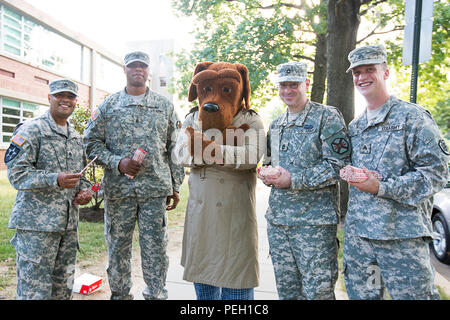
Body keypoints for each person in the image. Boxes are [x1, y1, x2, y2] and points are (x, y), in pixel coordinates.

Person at [343, 44, 449, 300]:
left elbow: (436, 174)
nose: (362, 77)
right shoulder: (356, 127)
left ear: (386, 73)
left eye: (370, 70)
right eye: (357, 72)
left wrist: (382, 186)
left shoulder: (412, 118)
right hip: (362, 244)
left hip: (401, 243)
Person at [83, 51, 185, 300]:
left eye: (142, 66)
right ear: (125, 70)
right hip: (119, 192)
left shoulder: (164, 106)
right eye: (132, 66)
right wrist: (118, 163)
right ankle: (120, 295)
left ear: (148, 71)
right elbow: (91, 142)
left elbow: (177, 148)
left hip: (154, 191)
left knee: (156, 250)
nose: (138, 70)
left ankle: (156, 294)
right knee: (118, 248)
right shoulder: (109, 105)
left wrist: (176, 184)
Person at [173, 63, 266, 300]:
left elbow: (251, 156)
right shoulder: (193, 117)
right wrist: (224, 151)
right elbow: (180, 153)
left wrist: (207, 149)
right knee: (204, 289)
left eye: (226, 90)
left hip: (235, 216)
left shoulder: (251, 120)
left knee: (237, 284)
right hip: (201, 217)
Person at [261, 61, 351, 300]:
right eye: (283, 85)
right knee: (288, 292)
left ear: (306, 84)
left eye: (294, 84)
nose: (287, 90)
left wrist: (294, 179)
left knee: (318, 293)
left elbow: (339, 165)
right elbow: (269, 162)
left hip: (314, 226)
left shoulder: (326, 117)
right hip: (279, 224)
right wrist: (267, 175)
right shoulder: (277, 124)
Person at [5, 79, 92, 299]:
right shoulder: (32, 129)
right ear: (49, 98)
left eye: (71, 97)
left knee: (62, 291)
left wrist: (85, 191)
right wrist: (56, 179)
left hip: (67, 227)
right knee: (34, 293)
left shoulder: (75, 136)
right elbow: (17, 174)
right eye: (60, 95)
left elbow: (79, 174)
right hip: (37, 229)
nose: (66, 100)